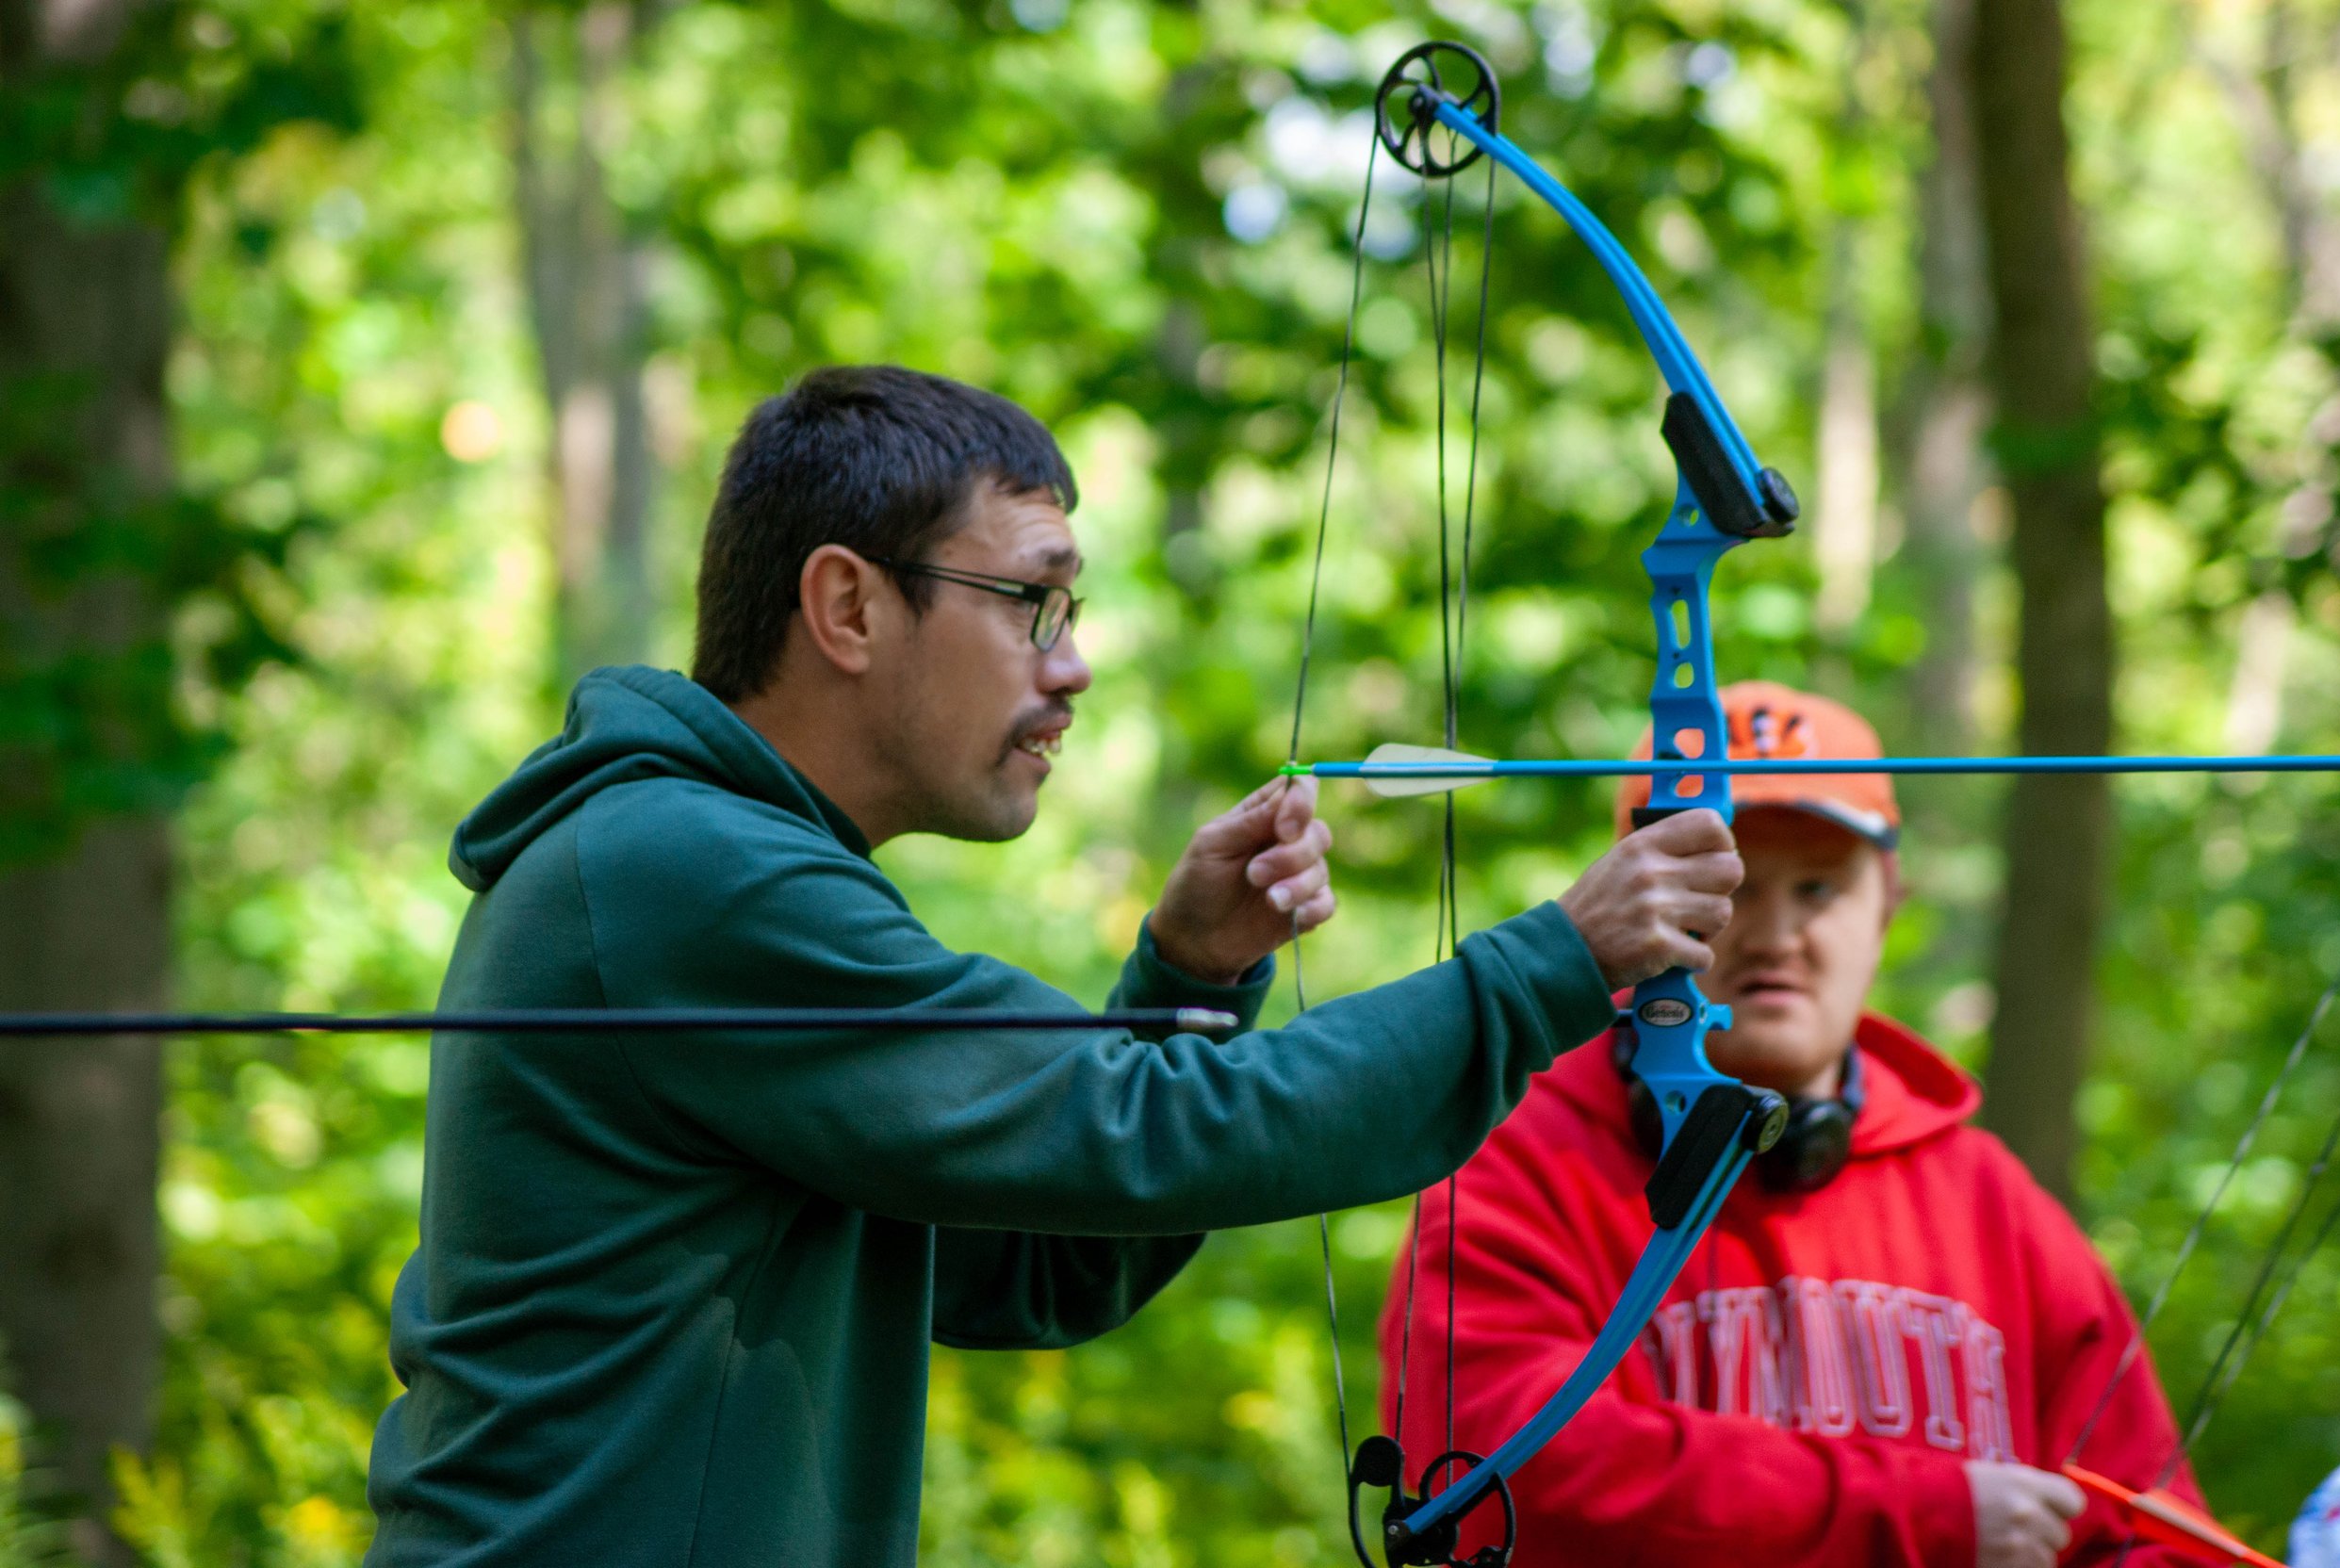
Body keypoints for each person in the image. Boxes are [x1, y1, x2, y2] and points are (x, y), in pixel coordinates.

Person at [361, 365, 1748, 1568]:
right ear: (845, 607)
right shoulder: (682, 867)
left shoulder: (707, 867)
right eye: (1032, 601)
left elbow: (1030, 1269)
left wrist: (1190, 984)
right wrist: (1556, 964)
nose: (1072, 666)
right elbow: (1139, 1136)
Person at [1379, 681, 2207, 1568]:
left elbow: (2157, 1533)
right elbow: (1503, 1474)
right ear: (1637, 905)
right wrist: (1920, 1516)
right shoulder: (1518, 1163)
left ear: (1887, 903)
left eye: (1818, 888)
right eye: (1726, 890)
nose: (1774, 935)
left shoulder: (1992, 1200)